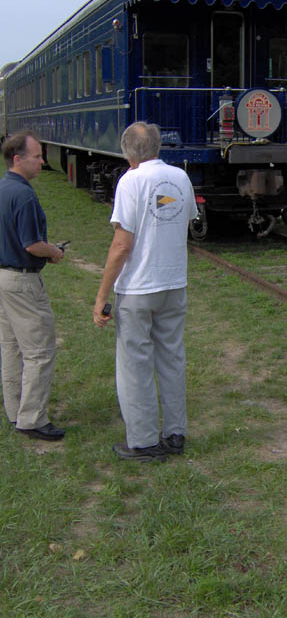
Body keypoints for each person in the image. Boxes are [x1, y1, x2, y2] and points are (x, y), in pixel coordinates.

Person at [93, 122, 198, 462]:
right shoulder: (180, 178)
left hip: (138, 288)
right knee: (171, 358)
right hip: (173, 283)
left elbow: (122, 245)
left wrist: (102, 296)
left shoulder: (131, 182)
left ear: (127, 152)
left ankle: (143, 442)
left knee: (135, 365)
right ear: (158, 147)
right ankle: (175, 432)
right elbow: (184, 222)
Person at [0, 132, 65, 440]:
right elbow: (32, 245)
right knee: (39, 350)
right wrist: (54, 251)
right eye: (37, 156)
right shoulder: (24, 195)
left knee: (11, 347)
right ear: (18, 159)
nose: (42, 161)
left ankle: (15, 411)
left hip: (3, 278)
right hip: (22, 281)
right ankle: (33, 419)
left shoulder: (3, 188)